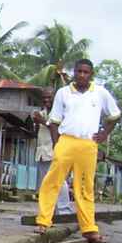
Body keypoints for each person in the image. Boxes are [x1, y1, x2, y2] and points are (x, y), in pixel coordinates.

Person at [34, 58, 121, 243]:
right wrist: (57, 144)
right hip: (66, 141)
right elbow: (54, 121)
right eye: (79, 71)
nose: (82, 75)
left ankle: (89, 228)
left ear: (91, 74)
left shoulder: (100, 93)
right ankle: (43, 221)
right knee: (52, 181)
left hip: (88, 144)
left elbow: (114, 115)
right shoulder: (63, 93)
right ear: (74, 72)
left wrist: (105, 133)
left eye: (86, 72)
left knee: (84, 187)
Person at [33, 88, 74, 217]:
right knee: (45, 184)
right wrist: (36, 123)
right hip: (42, 153)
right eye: (44, 97)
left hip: (55, 150)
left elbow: (57, 129)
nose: (46, 100)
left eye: (49, 97)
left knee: (59, 182)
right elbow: (38, 133)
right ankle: (50, 212)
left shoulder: (62, 113)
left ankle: (64, 211)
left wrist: (42, 121)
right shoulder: (42, 113)